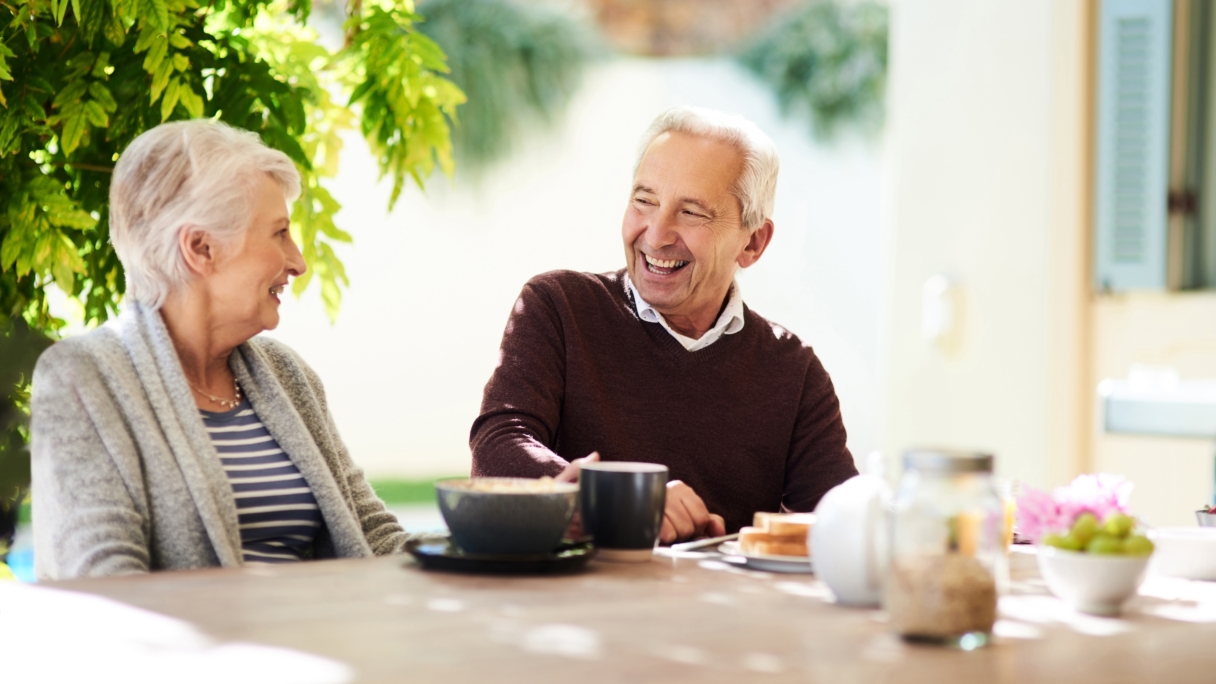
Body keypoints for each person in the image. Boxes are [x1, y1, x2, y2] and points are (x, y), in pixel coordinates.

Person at [32, 120, 411, 579]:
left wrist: (488, 554)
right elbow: (107, 586)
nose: (299, 262)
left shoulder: (288, 375)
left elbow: (373, 534)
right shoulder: (80, 378)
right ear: (201, 247)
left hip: (321, 639)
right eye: (279, 233)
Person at [470, 106, 859, 542]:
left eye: (691, 213)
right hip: (576, 603)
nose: (656, 235)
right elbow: (498, 447)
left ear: (752, 242)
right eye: (644, 200)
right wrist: (618, 498)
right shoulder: (558, 307)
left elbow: (841, 522)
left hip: (718, 608)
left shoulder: (794, 371)